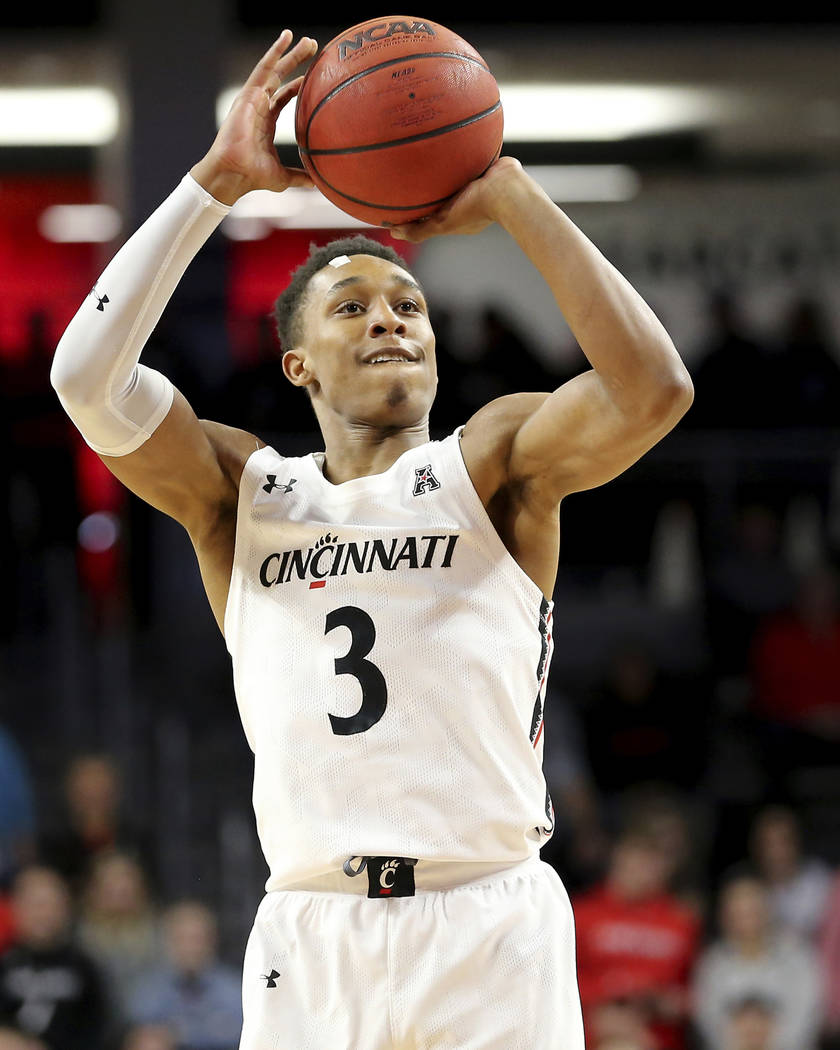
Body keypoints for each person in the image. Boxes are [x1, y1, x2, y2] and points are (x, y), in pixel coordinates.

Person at [49, 29, 694, 1050]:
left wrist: (515, 197)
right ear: (299, 363)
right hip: (313, 930)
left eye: (409, 306)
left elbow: (655, 390)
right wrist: (213, 183)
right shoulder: (242, 494)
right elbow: (84, 380)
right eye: (353, 307)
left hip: (488, 923)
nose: (390, 320)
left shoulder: (490, 463)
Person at [573, 831, 700, 1050]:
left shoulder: (681, 921)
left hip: (658, 1035)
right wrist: (605, 995)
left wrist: (667, 1003)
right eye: (632, 864)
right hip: (593, 1031)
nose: (639, 873)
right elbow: (558, 982)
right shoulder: (581, 914)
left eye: (648, 865)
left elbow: (695, 990)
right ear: (616, 863)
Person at [691, 873, 822, 1050]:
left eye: (753, 910)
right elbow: (710, 1022)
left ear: (768, 910)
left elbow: (806, 1017)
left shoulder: (798, 956)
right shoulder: (713, 963)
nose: (747, 921)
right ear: (724, 917)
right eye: (738, 912)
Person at [0, 866, 111, 1050]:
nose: (43, 914)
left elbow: (98, 1028)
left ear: (66, 909)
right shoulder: (5, 963)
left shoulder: (84, 966)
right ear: (17, 908)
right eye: (35, 904)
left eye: (51, 904)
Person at [128, 901, 241, 1050]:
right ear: (167, 942)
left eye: (197, 939)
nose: (190, 948)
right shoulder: (149, 988)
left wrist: (177, 1034)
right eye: (181, 939)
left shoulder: (235, 989)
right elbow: (140, 1032)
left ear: (213, 940)